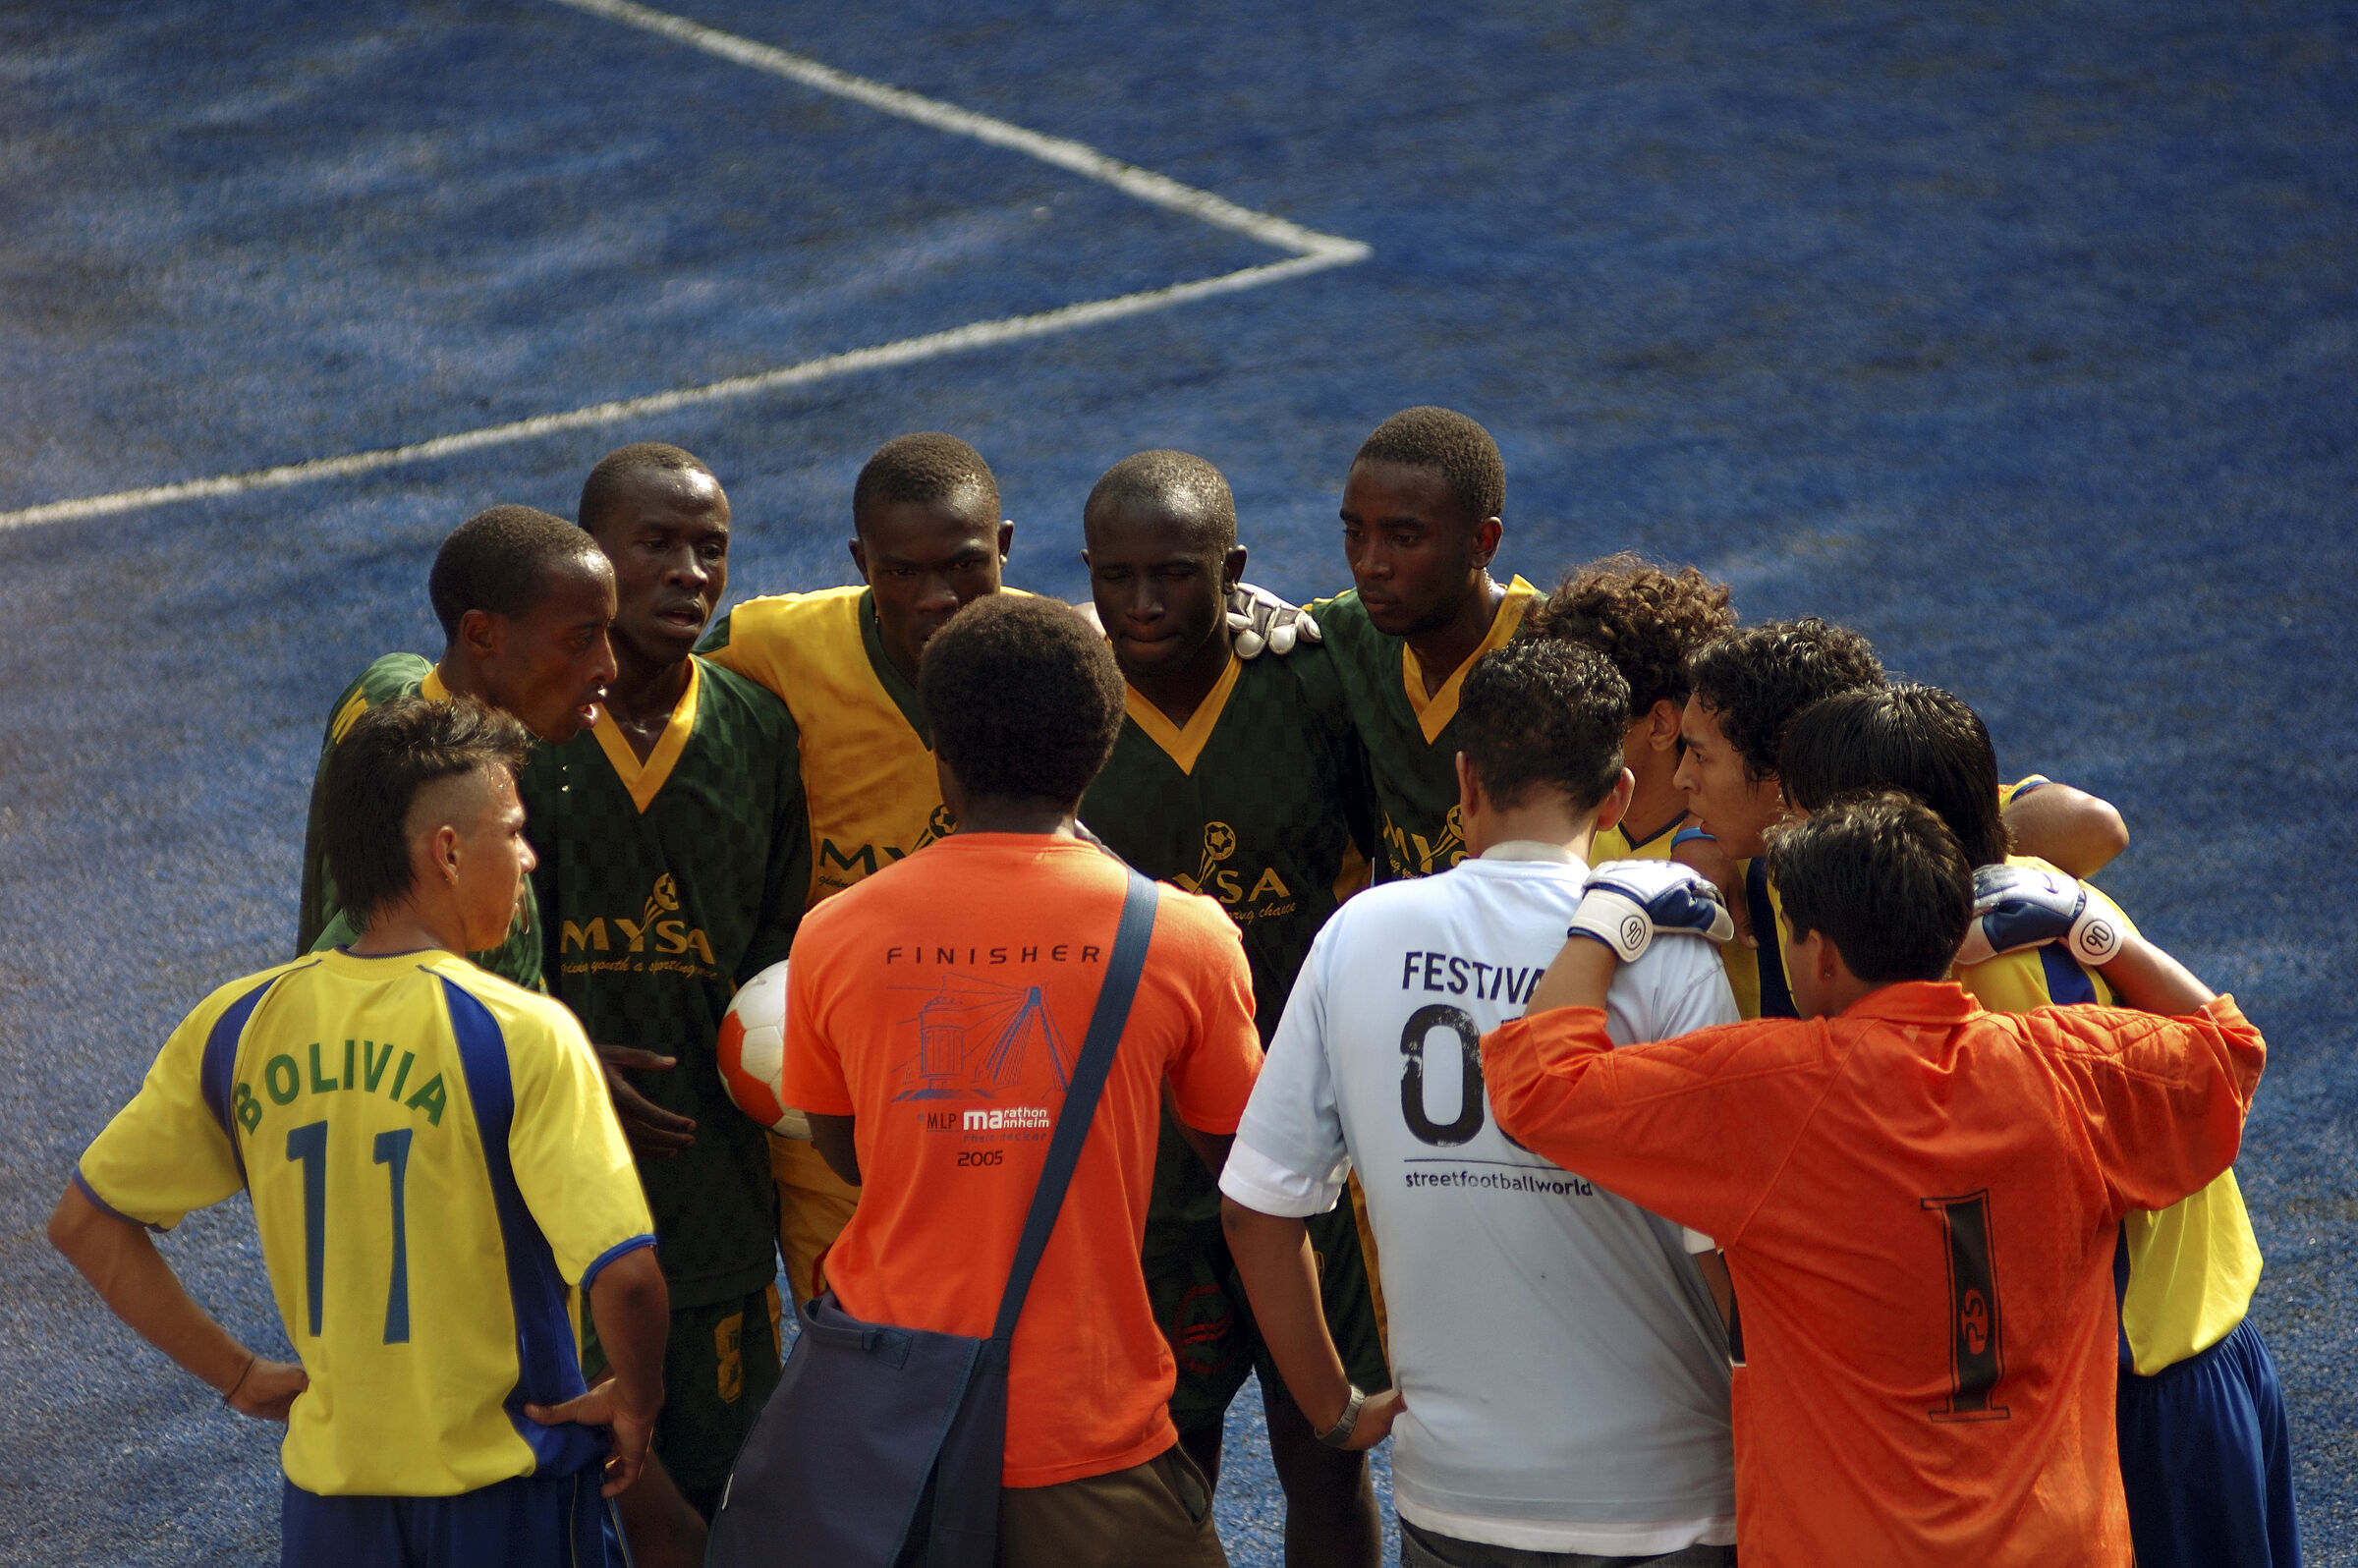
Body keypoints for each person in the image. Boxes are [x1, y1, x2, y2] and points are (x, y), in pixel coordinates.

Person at [1483, 791, 2268, 1566]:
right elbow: (2230, 1049)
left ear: (1821, 953)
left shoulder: (1764, 1092)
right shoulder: (2072, 1068)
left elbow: (1536, 1087)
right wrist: (2093, 931)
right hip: (2059, 1546)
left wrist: (1604, 922)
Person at [51, 696, 666, 1567]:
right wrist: (637, 1401)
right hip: (505, 1497)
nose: (528, 856)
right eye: (513, 830)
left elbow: (87, 1225)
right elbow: (630, 1278)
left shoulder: (237, 1023)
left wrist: (236, 1374)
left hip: (330, 1511)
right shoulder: (520, 1029)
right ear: (447, 853)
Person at [1221, 639, 1742, 1568]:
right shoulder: (1666, 946)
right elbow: (1725, 1242)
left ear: (1464, 782)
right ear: (1618, 796)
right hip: (1670, 1495)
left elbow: (1258, 1206)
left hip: (1457, 1500)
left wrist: (1337, 1414)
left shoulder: (1360, 934)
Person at [781, 594, 1263, 1568]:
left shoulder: (832, 931)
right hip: (1090, 1429)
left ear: (937, 749)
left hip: (889, 1429)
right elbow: (1248, 1169)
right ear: (1105, 745)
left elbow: (848, 1148)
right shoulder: (1186, 937)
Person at [1777, 686, 2298, 1568]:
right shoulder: (2049, 896)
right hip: (2214, 1346)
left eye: (1801, 809)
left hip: (2142, 1392)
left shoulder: (1974, 991)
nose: (1784, 829)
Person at [1075, 450, 1386, 1568]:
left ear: (1235, 570)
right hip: (1148, 1157)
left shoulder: (1308, 682)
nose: (1143, 603)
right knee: (1166, 1456)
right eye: (1115, 576)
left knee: (1328, 1447)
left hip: (1308, 1131)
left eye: (1175, 573)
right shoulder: (1072, 707)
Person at [519, 445, 813, 1545]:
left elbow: (775, 960)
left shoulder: (759, 733)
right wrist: (560, 1048)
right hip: (552, 1202)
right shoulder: (518, 740)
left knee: (731, 1492)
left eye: (711, 549)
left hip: (717, 1202)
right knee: (575, 1497)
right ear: (591, 554)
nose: (690, 571)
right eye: (658, 544)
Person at [699, 431, 1012, 1306]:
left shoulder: (1049, 657)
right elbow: (641, 691)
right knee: (854, 1367)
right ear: (858, 561)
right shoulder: (773, 645)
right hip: (834, 1105)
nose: (935, 598)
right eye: (901, 572)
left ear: (1006, 549)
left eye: (963, 566)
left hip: (998, 1095)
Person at [1674, 618, 2122, 1017]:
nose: (1681, 779)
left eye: (1698, 755)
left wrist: (1961, 881)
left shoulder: (2006, 952)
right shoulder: (1766, 853)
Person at [297, 504, 618, 987]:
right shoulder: (446, 815)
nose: (607, 667)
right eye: (580, 640)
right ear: (481, 635)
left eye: (607, 634)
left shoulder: (386, 686)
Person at [1519, 553, 1759, 1015]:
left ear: (1661, 725)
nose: (1550, 732)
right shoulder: (1555, 837)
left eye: (1578, 711)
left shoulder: (1747, 853)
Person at [1309, 407, 1539, 881]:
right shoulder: (1345, 632)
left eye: (1404, 538)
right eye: (1355, 533)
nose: (1370, 564)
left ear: (1483, 541)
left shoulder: (1558, 651)